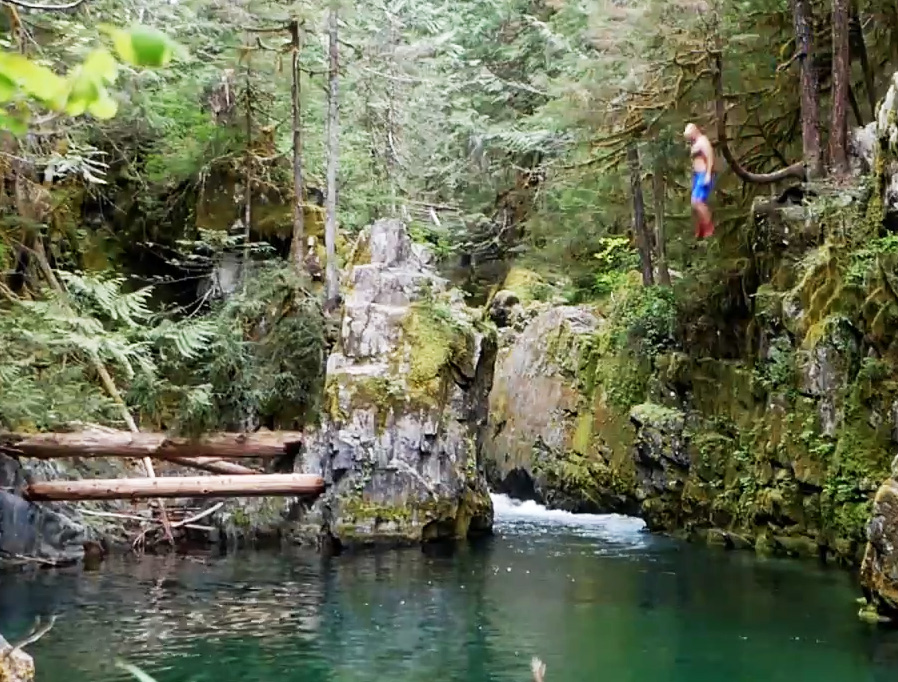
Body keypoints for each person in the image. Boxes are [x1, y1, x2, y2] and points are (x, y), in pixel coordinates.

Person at [684, 122, 715, 239]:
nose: (689, 138)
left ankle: (708, 227)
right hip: (698, 175)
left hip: (704, 174)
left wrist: (708, 174)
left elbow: (710, 157)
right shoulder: (695, 143)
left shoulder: (703, 141)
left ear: (695, 131)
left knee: (697, 201)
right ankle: (702, 226)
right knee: (695, 202)